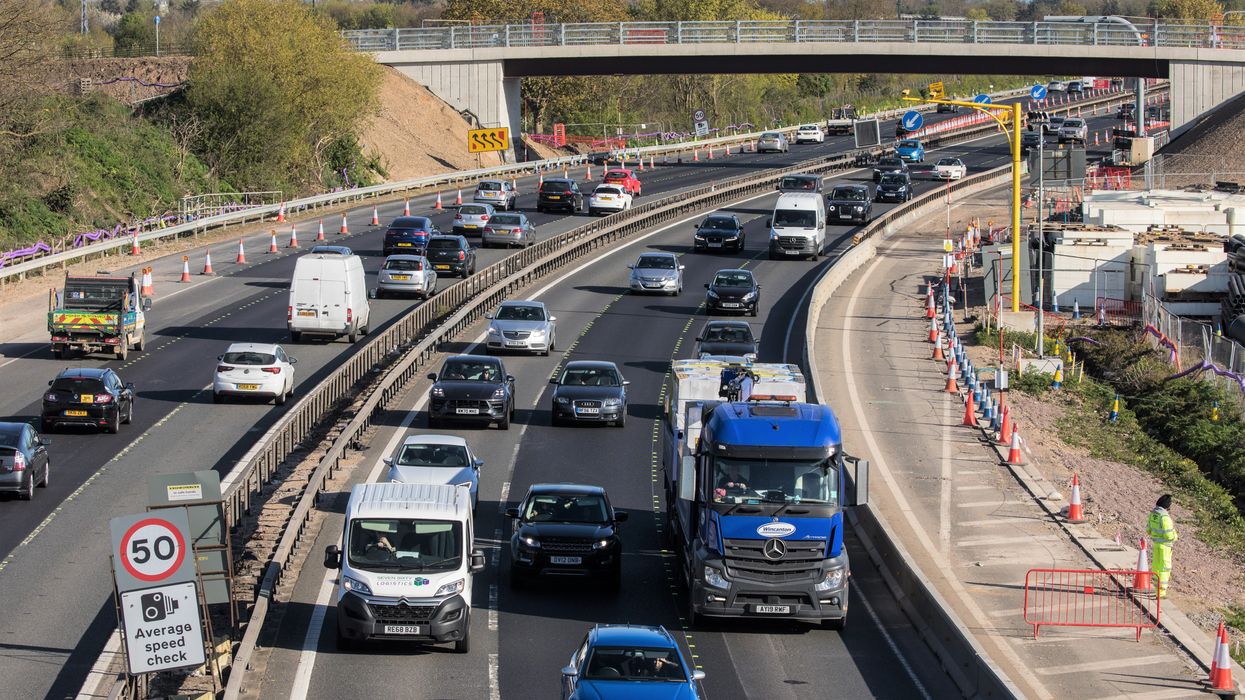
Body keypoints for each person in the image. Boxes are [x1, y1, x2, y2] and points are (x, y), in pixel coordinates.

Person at [1147, 494, 1178, 597]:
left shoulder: (1153, 514)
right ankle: (1161, 593)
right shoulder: (1165, 517)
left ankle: (1156, 589)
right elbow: (1169, 535)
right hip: (1165, 546)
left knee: (1156, 568)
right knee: (1165, 569)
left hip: (1156, 545)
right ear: (1168, 506)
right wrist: (1174, 536)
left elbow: (1148, 530)